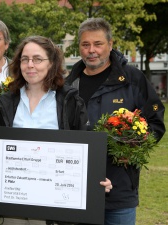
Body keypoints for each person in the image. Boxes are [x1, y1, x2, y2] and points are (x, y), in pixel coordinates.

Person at [0, 35, 112, 225]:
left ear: (52, 63)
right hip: (13, 206)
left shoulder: (70, 101)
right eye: (25, 59)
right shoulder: (6, 102)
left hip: (55, 210)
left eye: (37, 59)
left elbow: (84, 149)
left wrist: (97, 180)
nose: (30, 65)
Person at [65, 18, 165, 225]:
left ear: (110, 45)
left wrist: (132, 151)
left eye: (98, 44)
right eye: (85, 44)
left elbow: (155, 122)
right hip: (74, 190)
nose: (91, 50)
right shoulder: (68, 84)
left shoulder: (133, 79)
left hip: (120, 191)